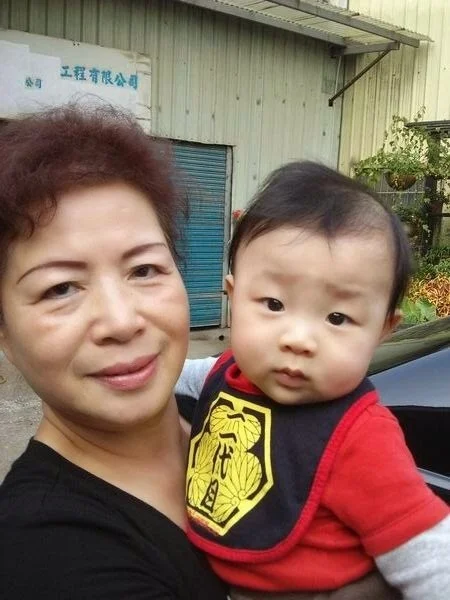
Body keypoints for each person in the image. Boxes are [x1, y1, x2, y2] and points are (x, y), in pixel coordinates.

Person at [176, 162, 450, 599]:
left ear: (383, 329)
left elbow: (427, 549)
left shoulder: (361, 435)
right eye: (273, 303)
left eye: (337, 317)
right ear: (233, 296)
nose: (299, 339)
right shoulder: (224, 373)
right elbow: (175, 373)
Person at [0, 104, 228, 599]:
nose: (122, 322)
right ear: (5, 334)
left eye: (144, 270)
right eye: (60, 288)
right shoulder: (43, 551)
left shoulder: (223, 417)